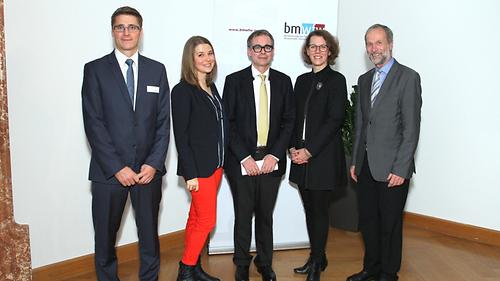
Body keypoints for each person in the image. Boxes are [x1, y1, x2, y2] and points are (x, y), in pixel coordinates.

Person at [81, 6, 170, 281]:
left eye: (132, 27)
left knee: (149, 240)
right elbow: (93, 123)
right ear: (112, 32)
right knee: (105, 241)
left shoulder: (157, 70)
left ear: (140, 32)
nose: (126, 32)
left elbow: (163, 124)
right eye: (120, 27)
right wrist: (117, 167)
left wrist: (154, 164)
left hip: (147, 174)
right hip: (109, 174)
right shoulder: (95, 70)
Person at [347, 24, 422, 281]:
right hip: (366, 165)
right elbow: (361, 125)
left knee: (389, 224)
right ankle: (371, 268)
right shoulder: (365, 79)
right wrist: (356, 160)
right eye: (369, 43)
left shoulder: (408, 77)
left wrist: (401, 168)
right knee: (368, 220)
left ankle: (389, 273)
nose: (373, 48)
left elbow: (411, 129)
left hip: (393, 168)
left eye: (379, 43)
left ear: (390, 44)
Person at [223, 29, 295, 281]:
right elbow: (227, 123)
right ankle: (241, 263)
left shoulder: (284, 81)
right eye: (257, 47)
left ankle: (265, 263)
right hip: (241, 160)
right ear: (248, 51)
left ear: (273, 51)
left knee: (265, 215)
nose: (262, 51)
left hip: (271, 159)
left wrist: (275, 155)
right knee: (243, 214)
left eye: (267, 47)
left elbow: (289, 122)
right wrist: (244, 157)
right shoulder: (233, 81)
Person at [289, 29, 347, 281]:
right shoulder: (301, 81)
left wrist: (309, 151)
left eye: (322, 47)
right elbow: (292, 119)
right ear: (307, 50)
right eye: (313, 46)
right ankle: (317, 257)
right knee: (310, 211)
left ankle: (316, 261)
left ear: (330, 51)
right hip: (300, 158)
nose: (317, 51)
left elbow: (334, 120)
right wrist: (292, 148)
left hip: (321, 158)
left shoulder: (337, 80)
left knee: (321, 212)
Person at [171, 36, 226, 281]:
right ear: (190, 59)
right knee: (206, 220)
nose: (207, 59)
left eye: (210, 53)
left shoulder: (212, 87)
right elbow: (181, 136)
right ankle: (186, 270)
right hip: (198, 170)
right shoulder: (182, 91)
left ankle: (194, 269)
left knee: (196, 218)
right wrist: (189, 173)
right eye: (200, 54)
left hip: (216, 166)